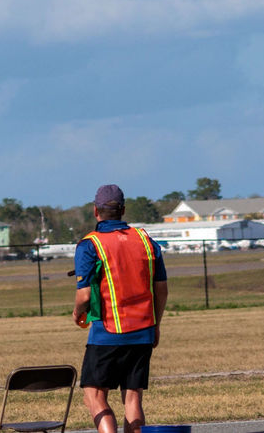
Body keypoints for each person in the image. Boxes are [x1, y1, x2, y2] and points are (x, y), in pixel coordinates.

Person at [72, 184, 168, 433]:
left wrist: (76, 312)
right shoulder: (147, 241)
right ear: (123, 210)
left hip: (107, 332)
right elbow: (161, 290)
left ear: (96, 211)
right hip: (144, 329)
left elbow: (83, 295)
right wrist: (156, 325)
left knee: (94, 396)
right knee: (133, 398)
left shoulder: (90, 244)